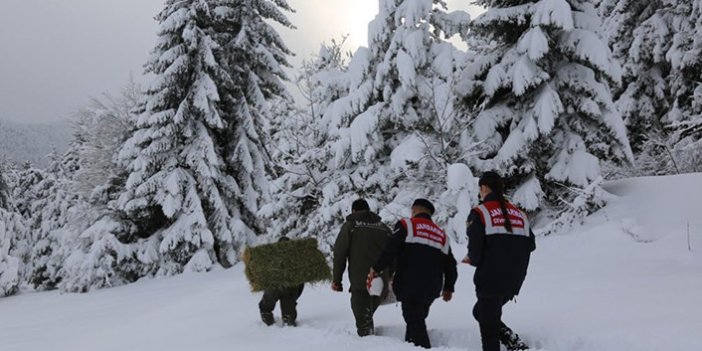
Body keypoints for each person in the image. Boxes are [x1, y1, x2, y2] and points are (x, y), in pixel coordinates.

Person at [371, 198, 458, 349]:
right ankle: (409, 346)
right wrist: (448, 287)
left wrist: (376, 268)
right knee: (415, 321)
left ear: (415, 210)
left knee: (415, 323)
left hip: (409, 284)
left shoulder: (407, 225)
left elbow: (390, 249)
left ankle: (423, 348)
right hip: (431, 289)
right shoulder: (441, 235)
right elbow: (451, 265)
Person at [464, 171, 536, 351]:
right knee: (480, 312)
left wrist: (472, 257)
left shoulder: (480, 212)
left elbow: (476, 254)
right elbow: (531, 244)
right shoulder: (518, 213)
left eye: (479, 189)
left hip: (490, 278)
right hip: (515, 279)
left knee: (488, 332)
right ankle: (513, 341)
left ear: (484, 188)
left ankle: (513, 345)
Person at [332, 198, 392, 336]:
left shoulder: (351, 226)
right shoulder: (384, 227)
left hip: (361, 280)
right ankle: (370, 339)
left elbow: (340, 253)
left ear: (354, 210)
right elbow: (393, 253)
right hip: (380, 280)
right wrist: (390, 275)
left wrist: (337, 280)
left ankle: (367, 344)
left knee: (363, 320)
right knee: (368, 315)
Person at [259, 236, 305, 327]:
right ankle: (268, 325)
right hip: (276, 289)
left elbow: (300, 282)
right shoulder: (273, 260)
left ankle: (272, 324)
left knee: (288, 316)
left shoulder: (296, 261)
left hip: (288, 290)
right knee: (267, 308)